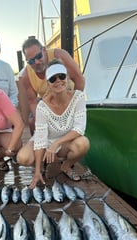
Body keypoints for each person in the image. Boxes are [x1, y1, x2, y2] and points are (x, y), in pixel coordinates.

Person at [17, 59, 90, 189]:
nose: (58, 81)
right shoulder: (42, 107)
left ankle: (66, 166)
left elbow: (79, 129)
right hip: (45, 141)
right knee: (23, 158)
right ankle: (41, 166)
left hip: (64, 142)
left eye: (61, 76)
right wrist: (37, 172)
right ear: (48, 84)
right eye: (52, 79)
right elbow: (40, 139)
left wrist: (57, 143)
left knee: (83, 143)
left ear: (67, 78)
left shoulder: (78, 97)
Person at [19, 37, 85, 134]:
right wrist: (41, 121)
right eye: (31, 61)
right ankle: (38, 143)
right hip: (49, 105)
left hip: (68, 99)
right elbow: (32, 101)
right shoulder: (26, 75)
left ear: (44, 50)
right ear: (27, 62)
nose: (37, 62)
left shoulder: (60, 55)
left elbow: (79, 79)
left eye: (38, 56)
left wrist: (73, 106)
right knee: (33, 122)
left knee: (81, 141)